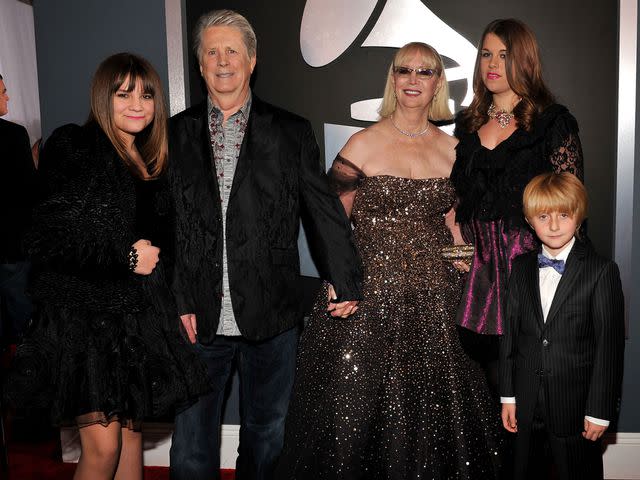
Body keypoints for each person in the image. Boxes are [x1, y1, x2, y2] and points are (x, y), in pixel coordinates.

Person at [275, 42, 502, 480]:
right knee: (353, 413)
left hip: (437, 302)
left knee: (433, 414)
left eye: (425, 71)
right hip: (367, 300)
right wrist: (339, 282)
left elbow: (456, 224)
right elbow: (329, 224)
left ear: (438, 82)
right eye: (405, 71)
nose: (414, 79)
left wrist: (462, 261)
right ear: (393, 80)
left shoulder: (455, 150)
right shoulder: (362, 143)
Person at [167, 9, 362, 480]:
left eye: (232, 50)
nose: (222, 61)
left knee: (268, 436)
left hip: (273, 314)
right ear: (199, 64)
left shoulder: (290, 131)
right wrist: (174, 298)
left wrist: (345, 277)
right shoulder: (173, 134)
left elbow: (322, 210)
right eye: (211, 51)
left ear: (252, 60)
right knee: (191, 446)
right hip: (197, 316)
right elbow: (162, 225)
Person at [3, 53, 209, 480]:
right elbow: (44, 235)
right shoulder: (74, 145)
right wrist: (126, 255)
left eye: (147, 94)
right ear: (103, 97)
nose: (138, 104)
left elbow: (167, 247)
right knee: (103, 447)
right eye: (124, 93)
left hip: (135, 323)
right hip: (84, 321)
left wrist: (174, 301)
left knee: (131, 439)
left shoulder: (152, 162)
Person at [450, 18, 584, 397]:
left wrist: (567, 283)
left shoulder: (551, 122)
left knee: (535, 397)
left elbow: (571, 204)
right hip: (480, 282)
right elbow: (460, 203)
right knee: (491, 394)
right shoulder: (467, 126)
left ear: (523, 61)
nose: (492, 64)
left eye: (504, 55)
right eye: (486, 54)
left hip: (536, 278)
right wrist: (459, 239)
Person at [499, 172, 624, 480]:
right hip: (525, 402)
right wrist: (508, 396)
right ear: (530, 221)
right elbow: (509, 336)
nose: (554, 226)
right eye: (543, 216)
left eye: (563, 215)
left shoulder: (601, 270)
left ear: (578, 217)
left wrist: (599, 410)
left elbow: (610, 346)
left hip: (576, 406)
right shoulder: (520, 268)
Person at [0, 73, 37, 345]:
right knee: (24, 324)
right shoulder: (13, 135)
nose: (8, 96)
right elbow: (28, 191)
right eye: (3, 92)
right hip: (12, 247)